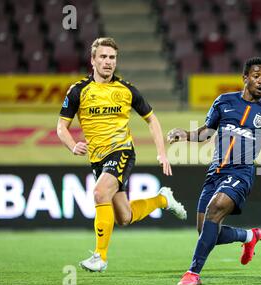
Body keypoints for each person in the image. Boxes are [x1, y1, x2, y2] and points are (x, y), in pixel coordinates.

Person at [56, 37, 187, 272]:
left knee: (99, 193)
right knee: (124, 217)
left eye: (112, 58)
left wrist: (162, 153)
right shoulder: (78, 91)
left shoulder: (126, 90)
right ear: (93, 60)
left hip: (122, 151)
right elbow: (61, 127)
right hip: (97, 158)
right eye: (103, 57)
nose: (108, 62)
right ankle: (162, 199)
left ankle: (100, 256)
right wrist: (72, 145)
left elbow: (152, 119)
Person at [167, 57, 261, 285]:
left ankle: (192, 274)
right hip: (215, 172)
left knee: (215, 209)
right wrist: (185, 135)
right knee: (206, 232)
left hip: (241, 173)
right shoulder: (224, 101)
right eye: (257, 76)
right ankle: (249, 236)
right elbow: (207, 132)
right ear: (245, 78)